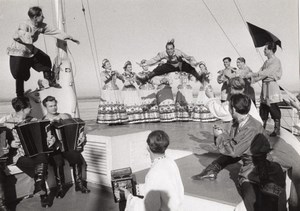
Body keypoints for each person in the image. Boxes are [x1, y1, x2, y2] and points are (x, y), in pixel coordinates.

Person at [212, 94, 285, 211]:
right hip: (253, 169)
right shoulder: (240, 122)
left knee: (253, 200)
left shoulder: (251, 127)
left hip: (258, 170)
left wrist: (220, 136)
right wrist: (223, 133)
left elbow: (234, 150)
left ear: (234, 109)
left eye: (229, 107)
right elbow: (234, 141)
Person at [7, 6, 80, 97]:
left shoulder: (40, 26)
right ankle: (20, 96)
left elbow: (55, 31)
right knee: (20, 75)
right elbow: (19, 35)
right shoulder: (24, 25)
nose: (43, 17)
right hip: (18, 52)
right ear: (35, 17)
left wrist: (70, 37)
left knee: (44, 59)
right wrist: (29, 36)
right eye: (42, 16)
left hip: (30, 50)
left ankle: (49, 81)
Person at [0, 96, 51, 207]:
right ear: (23, 109)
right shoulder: (6, 121)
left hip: (34, 153)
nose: (31, 108)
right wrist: (10, 144)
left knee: (42, 157)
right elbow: (1, 141)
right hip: (18, 156)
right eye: (29, 107)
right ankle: (43, 194)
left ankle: (38, 188)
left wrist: (50, 138)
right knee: (41, 166)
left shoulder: (33, 120)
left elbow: (44, 135)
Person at [117, 130, 184, 211]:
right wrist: (136, 188)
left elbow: (149, 208)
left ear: (148, 147)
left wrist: (128, 197)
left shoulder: (154, 173)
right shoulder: (170, 162)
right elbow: (160, 187)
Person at [42, 96, 90, 198]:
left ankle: (79, 184)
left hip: (67, 146)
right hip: (54, 149)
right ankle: (60, 188)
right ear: (46, 107)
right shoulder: (44, 121)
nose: (54, 108)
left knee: (76, 157)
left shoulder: (64, 116)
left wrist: (82, 134)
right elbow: (42, 139)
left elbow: (78, 126)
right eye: (50, 106)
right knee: (58, 162)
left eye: (55, 105)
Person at [247, 42, 282, 136]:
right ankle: (262, 128)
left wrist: (253, 75)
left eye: (266, 49)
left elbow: (266, 72)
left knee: (273, 108)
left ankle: (277, 129)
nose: (264, 50)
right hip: (265, 86)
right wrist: (251, 78)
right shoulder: (266, 62)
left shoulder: (276, 61)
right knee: (263, 108)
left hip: (271, 87)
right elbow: (260, 72)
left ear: (271, 50)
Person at [136, 39, 206, 84]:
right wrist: (145, 63)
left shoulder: (178, 52)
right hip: (170, 65)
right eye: (168, 49)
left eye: (171, 49)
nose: (169, 51)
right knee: (156, 70)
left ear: (174, 49)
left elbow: (188, 57)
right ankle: (144, 79)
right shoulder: (163, 53)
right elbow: (154, 59)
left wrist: (195, 63)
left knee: (191, 69)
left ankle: (199, 78)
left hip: (180, 65)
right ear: (166, 49)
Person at [96, 59, 128, 124]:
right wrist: (110, 74)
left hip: (115, 89)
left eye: (109, 63)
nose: (109, 65)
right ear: (104, 66)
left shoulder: (114, 72)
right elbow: (104, 80)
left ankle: (118, 119)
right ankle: (109, 120)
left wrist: (119, 75)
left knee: (116, 105)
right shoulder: (103, 73)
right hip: (107, 90)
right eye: (107, 64)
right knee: (109, 105)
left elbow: (122, 77)